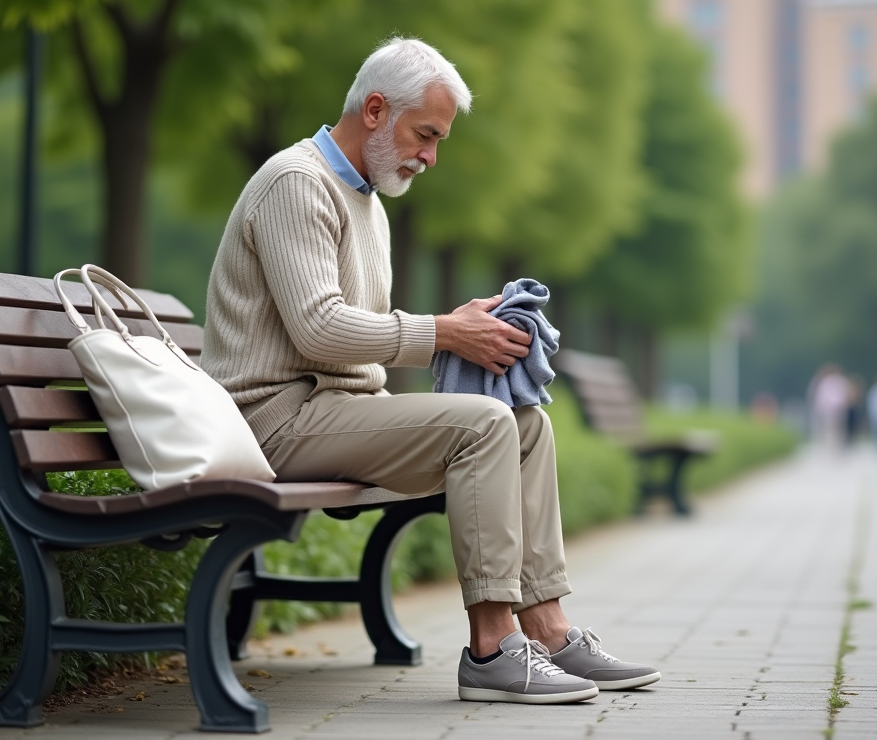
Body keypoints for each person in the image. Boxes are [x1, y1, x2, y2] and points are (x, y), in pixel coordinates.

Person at [201, 37, 660, 705]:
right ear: (376, 109)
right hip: (275, 423)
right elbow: (318, 328)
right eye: (425, 135)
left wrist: (459, 330)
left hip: (335, 413)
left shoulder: (368, 202)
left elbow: (355, 338)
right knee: (484, 425)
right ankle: (491, 649)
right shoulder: (295, 184)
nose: (430, 156)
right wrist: (445, 333)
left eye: (438, 140)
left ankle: (550, 629)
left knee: (525, 425)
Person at [809, 364, 850, 451]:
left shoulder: (826, 381)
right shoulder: (840, 381)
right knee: (837, 430)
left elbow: (821, 397)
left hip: (828, 410)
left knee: (830, 429)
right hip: (837, 409)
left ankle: (830, 445)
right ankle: (835, 446)